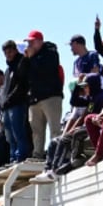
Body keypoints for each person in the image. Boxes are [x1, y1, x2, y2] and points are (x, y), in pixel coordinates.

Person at [24, 30, 63, 159]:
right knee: (36, 131)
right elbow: (22, 74)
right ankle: (38, 154)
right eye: (28, 42)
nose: (29, 45)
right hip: (35, 100)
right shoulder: (30, 57)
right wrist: (26, 59)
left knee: (54, 129)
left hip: (51, 97)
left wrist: (31, 58)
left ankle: (55, 154)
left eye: (31, 42)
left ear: (39, 41)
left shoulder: (51, 53)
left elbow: (43, 70)